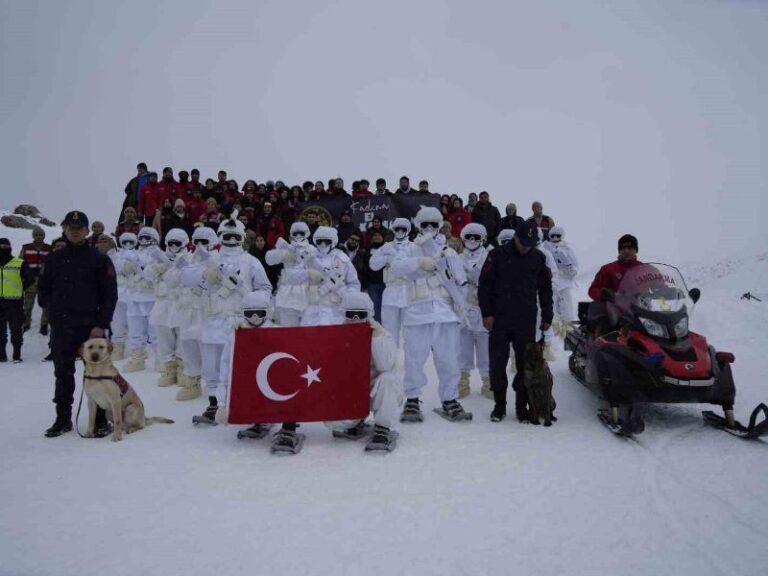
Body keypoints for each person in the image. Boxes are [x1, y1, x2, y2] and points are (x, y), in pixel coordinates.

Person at [37, 211, 118, 437]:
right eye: (70, 227)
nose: (74, 230)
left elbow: (110, 294)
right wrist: (54, 314)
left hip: (92, 328)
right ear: (64, 229)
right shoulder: (53, 259)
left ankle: (100, 421)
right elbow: (42, 291)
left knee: (99, 373)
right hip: (63, 327)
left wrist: (101, 324)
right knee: (63, 374)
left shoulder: (99, 259)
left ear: (87, 230)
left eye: (79, 227)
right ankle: (63, 419)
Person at [390, 207, 471, 423]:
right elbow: (395, 268)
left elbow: (460, 282)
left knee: (449, 360)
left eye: (433, 225)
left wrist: (461, 306)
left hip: (445, 314)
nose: (428, 229)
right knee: (414, 359)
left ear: (439, 226)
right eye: (424, 224)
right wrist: (418, 262)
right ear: (418, 226)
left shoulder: (449, 252)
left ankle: (450, 399)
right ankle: (413, 399)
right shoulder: (410, 250)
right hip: (417, 312)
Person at [190, 212, 272, 424]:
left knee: (237, 365)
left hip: (238, 323)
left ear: (242, 238)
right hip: (212, 320)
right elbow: (193, 287)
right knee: (211, 367)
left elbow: (265, 289)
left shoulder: (250, 261)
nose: (231, 241)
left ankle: (238, 402)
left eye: (235, 237)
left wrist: (247, 295)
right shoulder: (211, 259)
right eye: (227, 236)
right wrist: (206, 277)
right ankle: (214, 405)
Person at [478, 220, 553, 424]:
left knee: (524, 365)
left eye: (530, 243)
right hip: (499, 319)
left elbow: (545, 289)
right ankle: (499, 406)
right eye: (523, 242)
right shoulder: (496, 255)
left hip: (525, 319)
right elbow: (484, 286)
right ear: (515, 237)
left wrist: (547, 316)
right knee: (497, 364)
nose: (526, 247)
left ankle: (522, 408)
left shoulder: (538, 258)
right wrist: (486, 314)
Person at [322, 291, 403, 452]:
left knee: (387, 378)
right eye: (351, 315)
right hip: (352, 392)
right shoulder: (336, 335)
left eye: (361, 315)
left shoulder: (382, 334)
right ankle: (355, 422)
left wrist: (376, 338)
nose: (356, 320)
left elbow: (385, 366)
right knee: (335, 422)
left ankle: (382, 427)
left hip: (378, 392)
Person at [175, 226, 219, 401]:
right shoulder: (188, 258)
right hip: (188, 308)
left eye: (204, 242)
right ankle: (192, 381)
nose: (200, 245)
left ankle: (212, 386)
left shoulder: (217, 258)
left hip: (207, 311)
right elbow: (177, 278)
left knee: (207, 348)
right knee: (187, 343)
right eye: (197, 242)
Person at [149, 228, 189, 386]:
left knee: (182, 338)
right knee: (163, 337)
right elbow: (147, 275)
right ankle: (169, 368)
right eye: (170, 243)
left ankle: (183, 369)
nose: (173, 246)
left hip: (180, 304)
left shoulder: (189, 259)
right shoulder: (159, 258)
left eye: (177, 243)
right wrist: (157, 269)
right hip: (162, 303)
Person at [368, 218, 417, 348]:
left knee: (411, 330)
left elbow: (420, 266)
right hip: (391, 290)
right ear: (393, 230)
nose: (400, 231)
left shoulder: (414, 247)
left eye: (403, 229)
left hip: (409, 290)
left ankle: (411, 362)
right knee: (389, 329)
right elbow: (373, 264)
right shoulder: (387, 246)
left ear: (408, 231)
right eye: (397, 229)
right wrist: (386, 258)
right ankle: (390, 359)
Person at [457, 223, 491, 399]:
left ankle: (487, 381)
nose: (472, 240)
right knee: (464, 345)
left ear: (482, 238)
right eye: (468, 236)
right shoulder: (456, 258)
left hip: (483, 305)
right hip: (464, 306)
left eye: (476, 237)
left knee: (485, 346)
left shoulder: (489, 256)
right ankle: (463, 380)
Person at [266, 222, 317, 326]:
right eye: (296, 233)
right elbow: (269, 260)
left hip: (306, 291)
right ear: (291, 235)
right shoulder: (287, 249)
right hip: (287, 292)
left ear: (306, 233)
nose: (298, 236)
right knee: (287, 326)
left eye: (301, 233)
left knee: (307, 327)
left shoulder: (312, 250)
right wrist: (283, 253)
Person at [1, 238, 32, 362]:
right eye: (1, 246)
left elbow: (29, 279)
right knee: (0, 332)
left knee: (16, 330)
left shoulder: (19, 262)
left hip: (14, 302)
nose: (3, 248)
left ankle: (17, 354)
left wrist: (20, 288)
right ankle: (1, 355)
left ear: (10, 247)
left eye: (5, 246)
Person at [544, 226, 579, 336]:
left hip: (565, 283)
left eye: (557, 236)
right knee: (552, 310)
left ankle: (569, 334)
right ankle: (554, 334)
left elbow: (575, 265)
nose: (555, 238)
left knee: (567, 309)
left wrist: (570, 268)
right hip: (551, 283)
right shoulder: (545, 247)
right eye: (552, 236)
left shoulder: (567, 248)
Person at [109, 232, 138, 361]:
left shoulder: (139, 254)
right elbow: (111, 268)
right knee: (117, 322)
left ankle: (136, 348)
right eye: (124, 242)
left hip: (134, 294)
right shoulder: (116, 255)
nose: (127, 245)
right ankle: (118, 346)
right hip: (118, 294)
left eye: (130, 242)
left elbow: (139, 269)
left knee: (135, 323)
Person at [588, 234, 642, 302]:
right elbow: (593, 289)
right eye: (623, 249)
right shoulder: (607, 269)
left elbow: (657, 284)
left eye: (630, 248)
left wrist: (657, 290)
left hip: (641, 307)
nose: (626, 251)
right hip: (615, 309)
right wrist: (603, 295)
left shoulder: (645, 268)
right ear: (619, 251)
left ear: (636, 250)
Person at [18, 226, 51, 334]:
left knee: (45, 305)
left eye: (41, 235)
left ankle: (44, 325)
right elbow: (20, 263)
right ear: (33, 236)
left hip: (43, 281)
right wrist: (22, 277)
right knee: (27, 305)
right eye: (36, 235)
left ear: (44, 236)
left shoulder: (48, 248)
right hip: (30, 281)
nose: (38, 237)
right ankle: (26, 323)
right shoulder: (26, 247)